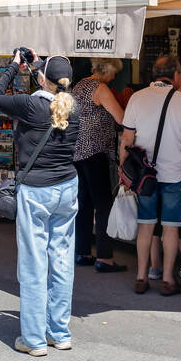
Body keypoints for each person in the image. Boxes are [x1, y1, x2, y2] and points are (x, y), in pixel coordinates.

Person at [0, 52, 80, 355]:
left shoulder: (32, 106)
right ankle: (59, 332)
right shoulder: (73, 108)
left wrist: (16, 64)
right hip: (66, 187)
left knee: (33, 264)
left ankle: (34, 339)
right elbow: (53, 92)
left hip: (36, 190)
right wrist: (39, 65)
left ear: (44, 80)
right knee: (62, 261)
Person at [119, 55, 181, 295]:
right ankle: (167, 280)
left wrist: (122, 169)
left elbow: (127, 138)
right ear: (176, 75)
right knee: (171, 227)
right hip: (174, 172)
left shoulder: (137, 98)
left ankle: (141, 277)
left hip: (146, 174)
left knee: (145, 226)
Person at [71, 58, 127, 272]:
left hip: (78, 152)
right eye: (114, 72)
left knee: (84, 204)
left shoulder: (80, 85)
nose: (114, 77)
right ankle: (105, 258)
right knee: (104, 205)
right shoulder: (100, 88)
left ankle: (82, 252)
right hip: (95, 151)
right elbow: (121, 118)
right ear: (108, 69)